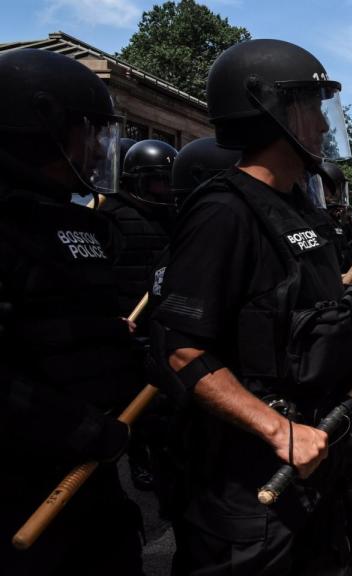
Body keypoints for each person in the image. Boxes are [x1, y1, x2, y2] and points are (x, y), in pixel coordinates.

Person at [149, 39, 352, 574]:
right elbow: (182, 351)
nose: (323, 126)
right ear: (269, 111)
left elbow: (298, 312)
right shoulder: (223, 214)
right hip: (248, 475)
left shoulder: (298, 205)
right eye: (310, 107)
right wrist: (279, 430)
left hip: (312, 459)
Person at [0, 48, 144, 575]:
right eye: (88, 132)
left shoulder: (70, 221)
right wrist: (73, 425)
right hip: (19, 485)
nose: (94, 150)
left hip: (86, 476)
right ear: (42, 124)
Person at [98, 138, 178, 492]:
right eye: (156, 181)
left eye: (167, 181)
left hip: (162, 320)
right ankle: (139, 455)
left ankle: (160, 456)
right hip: (125, 322)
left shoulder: (176, 218)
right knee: (128, 400)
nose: (163, 190)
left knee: (163, 402)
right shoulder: (109, 214)